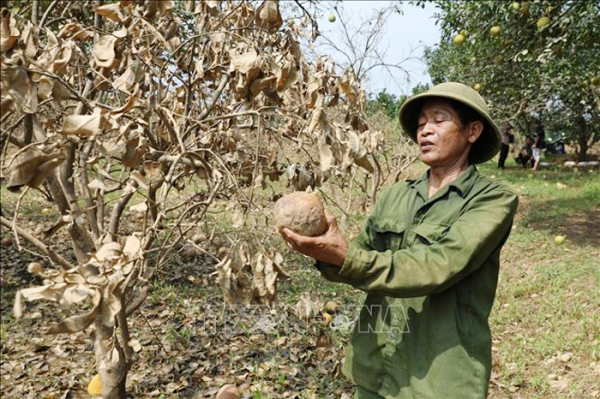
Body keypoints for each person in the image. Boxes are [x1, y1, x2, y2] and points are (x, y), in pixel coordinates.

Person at [279, 82, 518, 399]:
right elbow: (359, 261)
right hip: (376, 365)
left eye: (438, 120)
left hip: (439, 377)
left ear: (472, 131)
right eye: (421, 123)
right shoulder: (396, 195)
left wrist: (346, 256)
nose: (425, 131)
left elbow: (438, 266)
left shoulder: (492, 199)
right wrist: (324, 251)